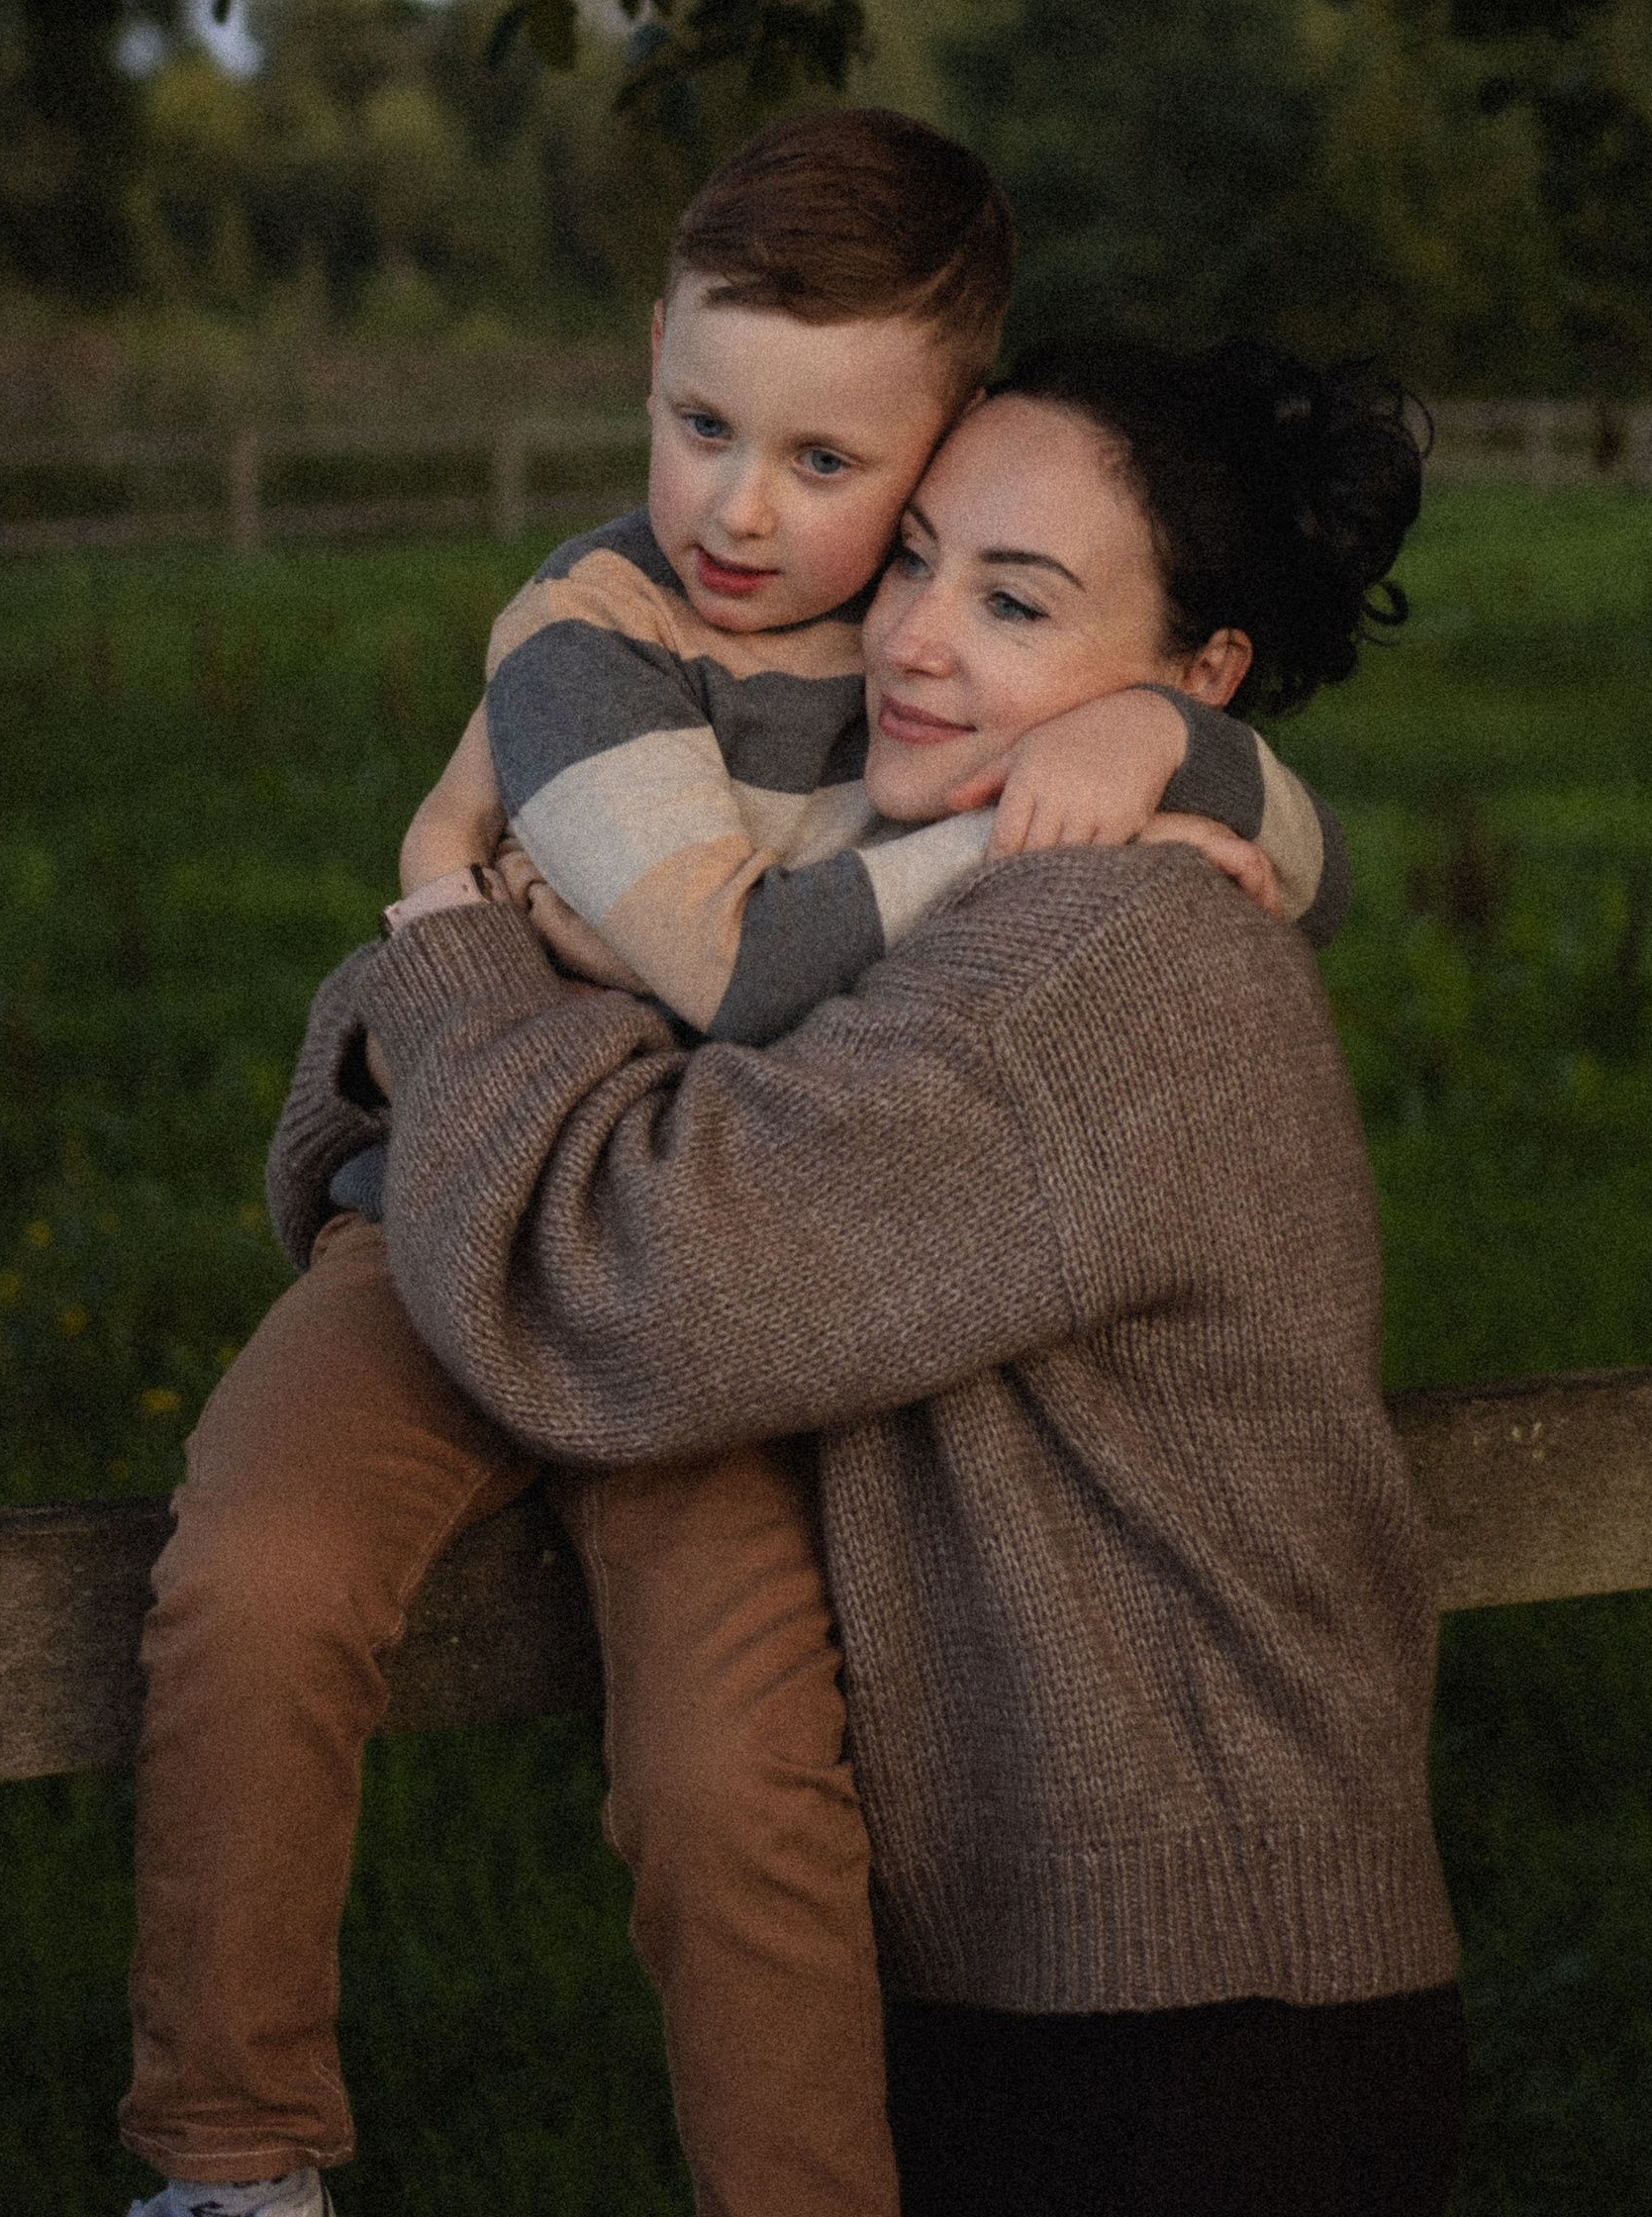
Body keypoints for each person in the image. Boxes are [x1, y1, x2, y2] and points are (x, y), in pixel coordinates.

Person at [122, 116, 1338, 2217]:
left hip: (707, 1279)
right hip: (460, 1210)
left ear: (938, 449)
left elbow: (1290, 869)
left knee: (736, 1771)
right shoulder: (589, 631)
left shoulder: (929, 636)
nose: (736, 512)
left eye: (822, 465)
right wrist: (1000, 830)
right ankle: (232, 2153)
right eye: (698, 425)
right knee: (260, 1570)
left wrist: (1163, 745)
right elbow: (727, 968)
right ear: (646, 360)